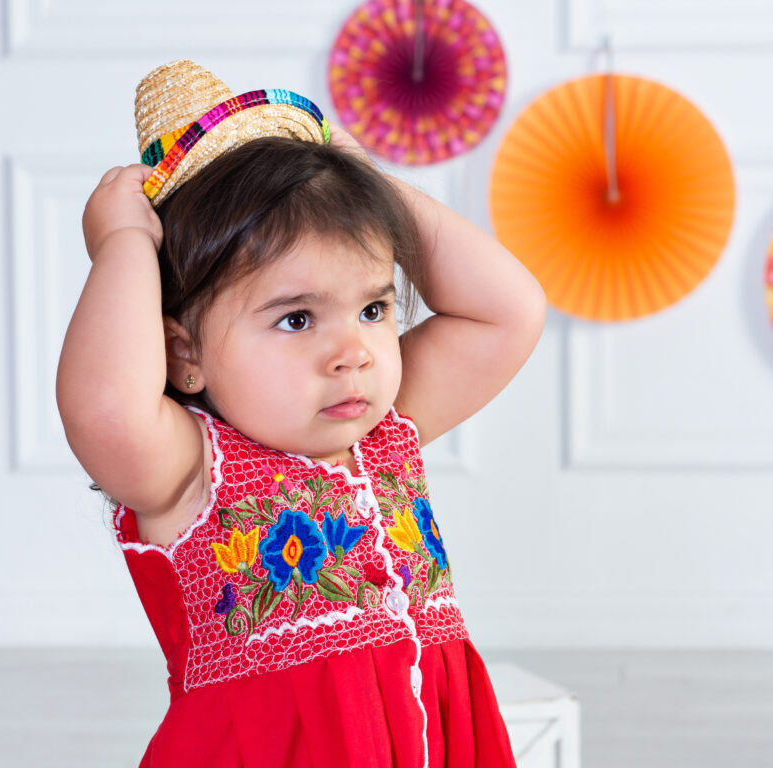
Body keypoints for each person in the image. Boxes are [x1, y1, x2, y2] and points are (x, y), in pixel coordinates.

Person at [56, 60, 546, 768]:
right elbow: (105, 410)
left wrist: (362, 182)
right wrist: (124, 244)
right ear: (184, 353)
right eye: (296, 319)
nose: (353, 354)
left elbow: (509, 310)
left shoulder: (387, 433)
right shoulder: (189, 470)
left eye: (372, 309)